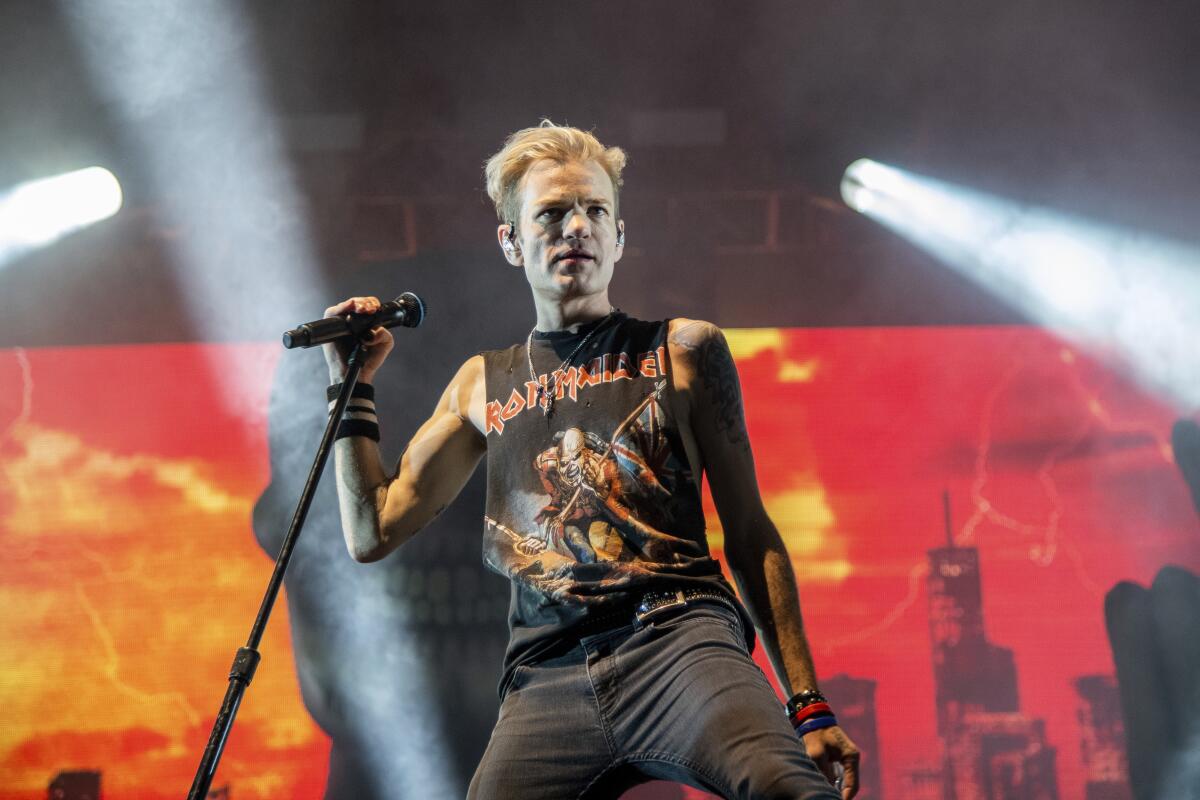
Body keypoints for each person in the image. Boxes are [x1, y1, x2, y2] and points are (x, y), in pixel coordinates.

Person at [322, 122, 860, 800]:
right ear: (511, 243)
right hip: (546, 675)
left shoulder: (685, 351)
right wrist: (350, 388)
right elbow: (371, 530)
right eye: (551, 212)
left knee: (786, 788)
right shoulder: (480, 385)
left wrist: (807, 702)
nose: (577, 226)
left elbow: (751, 535)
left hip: (678, 638)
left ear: (619, 238)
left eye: (595, 210)